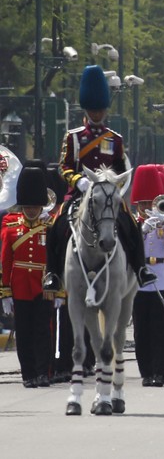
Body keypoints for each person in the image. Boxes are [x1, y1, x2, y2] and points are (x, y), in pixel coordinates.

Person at [44, 65, 154, 292]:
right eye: (93, 110)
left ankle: (141, 268)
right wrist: (78, 181)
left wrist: (116, 190)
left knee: (132, 224)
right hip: (79, 193)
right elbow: (63, 167)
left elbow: (122, 169)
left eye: (100, 110)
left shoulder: (114, 139)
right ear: (86, 109)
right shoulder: (73, 137)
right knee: (55, 225)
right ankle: (53, 273)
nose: (96, 114)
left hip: (108, 194)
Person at [1, 165, 54, 388]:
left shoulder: (50, 227)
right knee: (23, 333)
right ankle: (28, 374)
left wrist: (58, 288)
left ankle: (43, 372)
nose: (32, 211)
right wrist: (4, 292)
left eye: (35, 207)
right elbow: (5, 261)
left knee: (43, 332)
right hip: (20, 287)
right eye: (28, 206)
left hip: (44, 287)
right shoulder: (11, 228)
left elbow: (56, 260)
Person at [131, 165, 164, 387]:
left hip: (160, 277)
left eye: (149, 204)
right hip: (139, 279)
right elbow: (127, 248)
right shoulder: (132, 224)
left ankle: (159, 372)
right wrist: (142, 230)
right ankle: (146, 371)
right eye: (142, 204)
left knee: (160, 328)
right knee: (142, 330)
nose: (146, 208)